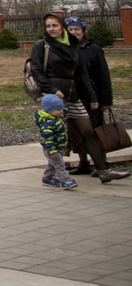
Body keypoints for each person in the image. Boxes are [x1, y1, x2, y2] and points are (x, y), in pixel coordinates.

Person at [29, 13, 126, 182]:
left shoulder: (73, 45)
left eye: (55, 26)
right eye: (48, 26)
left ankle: (103, 171)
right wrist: (53, 89)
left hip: (73, 94)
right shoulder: (42, 46)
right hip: (53, 98)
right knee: (55, 134)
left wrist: (92, 97)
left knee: (88, 131)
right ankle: (53, 176)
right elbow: (36, 71)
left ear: (62, 28)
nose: (51, 29)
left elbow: (81, 73)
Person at [67, 16, 115, 175]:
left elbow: (104, 75)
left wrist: (106, 100)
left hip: (93, 98)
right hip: (74, 97)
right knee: (76, 132)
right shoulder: (65, 49)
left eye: (77, 29)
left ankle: (102, 163)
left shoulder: (94, 49)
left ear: (83, 31)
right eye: (71, 30)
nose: (74, 32)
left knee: (96, 131)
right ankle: (83, 163)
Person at [36, 95, 77, 189]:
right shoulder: (47, 123)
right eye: (58, 110)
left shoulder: (58, 116)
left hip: (60, 146)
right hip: (52, 148)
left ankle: (47, 178)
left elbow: (64, 111)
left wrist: (62, 101)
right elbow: (47, 138)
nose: (61, 111)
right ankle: (65, 180)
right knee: (60, 164)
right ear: (49, 110)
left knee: (53, 164)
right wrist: (51, 150)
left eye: (61, 109)